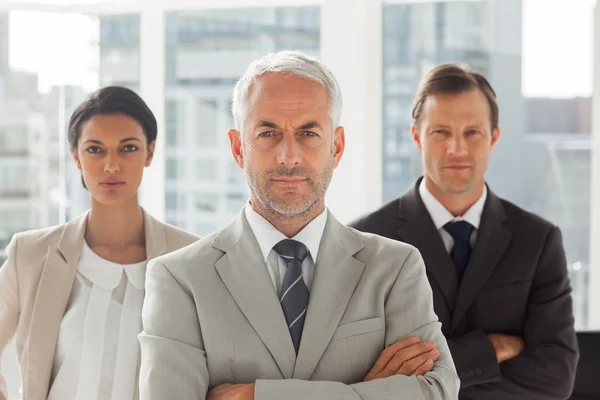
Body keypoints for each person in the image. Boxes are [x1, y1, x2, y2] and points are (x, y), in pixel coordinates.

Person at [138, 51, 459, 400]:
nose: (288, 156)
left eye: (308, 132)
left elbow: (436, 391)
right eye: (267, 132)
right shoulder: (179, 279)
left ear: (336, 147)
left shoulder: (395, 268)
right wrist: (364, 392)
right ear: (238, 148)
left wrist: (256, 395)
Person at [350, 63, 579, 399]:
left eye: (472, 132)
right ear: (416, 136)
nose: (456, 149)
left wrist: (422, 384)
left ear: (494, 138)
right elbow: (360, 374)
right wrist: (487, 350)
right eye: (440, 132)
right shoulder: (364, 240)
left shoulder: (538, 240)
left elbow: (556, 376)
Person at [0, 86, 198, 400]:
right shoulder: (32, 255)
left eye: (128, 148)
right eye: (95, 149)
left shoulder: (191, 258)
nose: (111, 165)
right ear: (75, 156)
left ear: (150, 151)